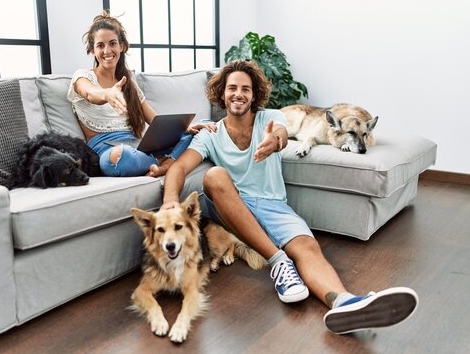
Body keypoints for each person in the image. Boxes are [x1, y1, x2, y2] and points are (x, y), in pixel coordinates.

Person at [160, 59, 418, 334]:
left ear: (254, 95)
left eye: (245, 89)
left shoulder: (270, 118)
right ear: (221, 93)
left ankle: (344, 303)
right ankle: (278, 261)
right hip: (233, 204)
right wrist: (170, 199)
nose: (238, 94)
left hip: (273, 205)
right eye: (232, 88)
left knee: (307, 248)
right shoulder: (211, 133)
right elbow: (179, 167)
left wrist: (276, 142)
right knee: (214, 176)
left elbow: (281, 134)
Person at [67, 11, 215, 177]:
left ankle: (163, 163)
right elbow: (90, 93)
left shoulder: (128, 80)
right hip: (109, 149)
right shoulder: (82, 77)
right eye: (100, 45)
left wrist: (185, 128)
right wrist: (107, 94)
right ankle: (163, 162)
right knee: (119, 158)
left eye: (112, 43)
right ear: (92, 51)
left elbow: (154, 119)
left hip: (139, 144)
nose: (107, 50)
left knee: (205, 127)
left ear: (121, 46)